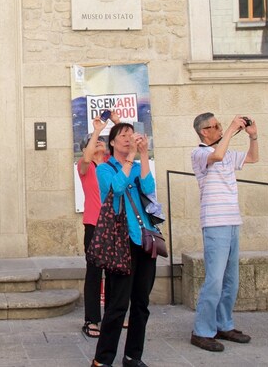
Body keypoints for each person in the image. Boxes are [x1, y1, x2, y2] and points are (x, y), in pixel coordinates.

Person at [189, 113, 259, 353]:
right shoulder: (199, 153)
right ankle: (202, 331)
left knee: (231, 280)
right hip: (215, 222)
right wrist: (230, 128)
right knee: (215, 280)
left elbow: (253, 157)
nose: (219, 128)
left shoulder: (227, 152)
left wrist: (253, 136)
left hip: (232, 221)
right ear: (204, 132)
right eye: (215, 126)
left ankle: (223, 324)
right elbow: (216, 156)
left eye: (220, 125)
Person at [91, 123, 158, 367]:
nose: (129, 138)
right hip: (121, 242)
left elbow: (149, 190)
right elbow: (116, 188)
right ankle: (102, 359)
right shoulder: (105, 169)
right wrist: (130, 158)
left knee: (141, 303)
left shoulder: (139, 166)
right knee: (117, 305)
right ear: (112, 142)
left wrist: (143, 155)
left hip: (145, 239)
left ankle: (133, 356)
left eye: (132, 134)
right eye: (123, 135)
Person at [78, 116, 110, 339]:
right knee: (94, 273)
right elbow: (88, 156)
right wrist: (96, 131)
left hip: (114, 225)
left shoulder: (111, 164)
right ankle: (91, 320)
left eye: (101, 141)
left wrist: (115, 122)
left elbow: (127, 149)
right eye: (93, 141)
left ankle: (114, 315)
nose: (99, 142)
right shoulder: (85, 166)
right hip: (94, 224)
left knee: (117, 273)